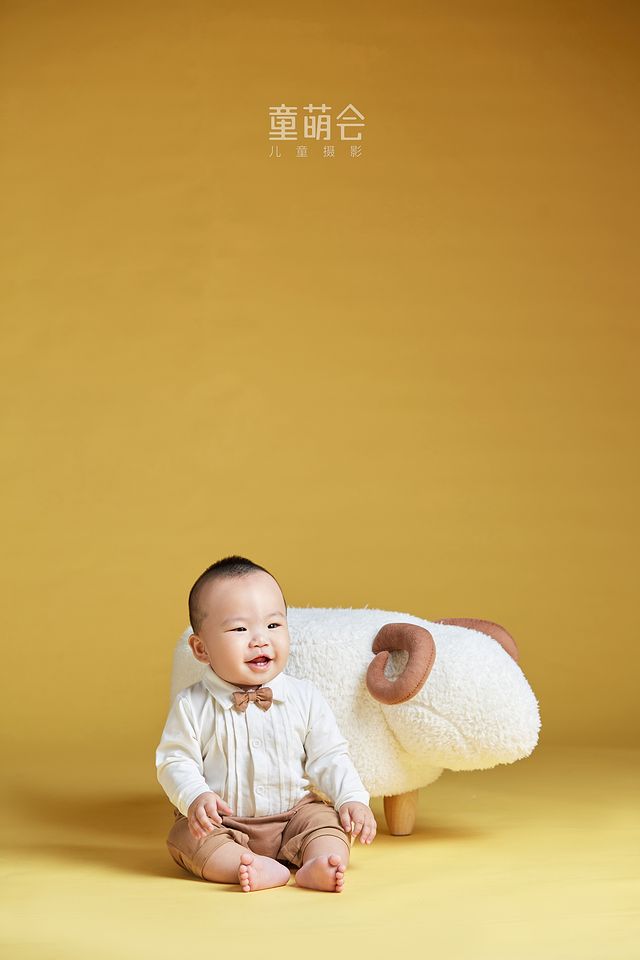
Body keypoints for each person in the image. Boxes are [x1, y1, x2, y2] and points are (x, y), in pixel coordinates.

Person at [156, 555, 377, 893]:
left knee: (328, 823)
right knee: (188, 836)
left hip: (294, 816)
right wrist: (196, 795)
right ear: (201, 648)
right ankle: (248, 866)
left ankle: (319, 863)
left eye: (273, 625)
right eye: (239, 629)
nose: (260, 640)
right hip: (223, 821)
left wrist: (351, 798)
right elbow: (175, 760)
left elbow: (330, 755)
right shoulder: (192, 705)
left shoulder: (305, 697)